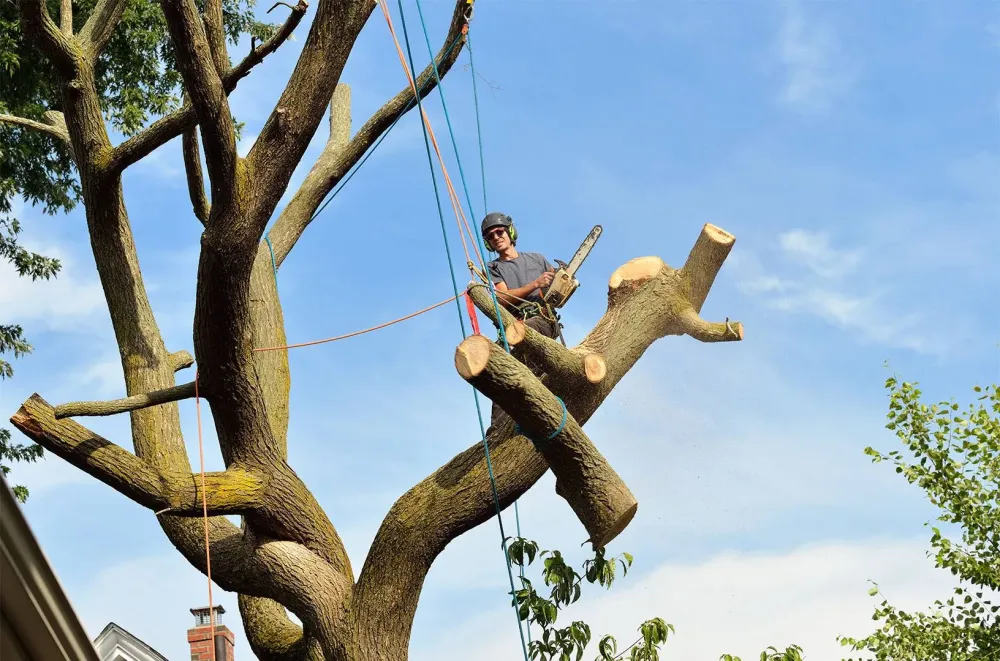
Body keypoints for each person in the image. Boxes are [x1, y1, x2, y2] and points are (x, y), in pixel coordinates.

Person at [479, 212, 561, 434]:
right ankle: (498, 431)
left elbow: (555, 296)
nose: (496, 237)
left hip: (541, 320)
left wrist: (561, 283)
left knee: (529, 332)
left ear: (510, 232)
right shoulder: (494, 268)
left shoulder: (537, 259)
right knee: (494, 365)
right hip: (514, 326)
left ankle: (537, 403)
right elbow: (502, 299)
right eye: (491, 235)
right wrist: (535, 283)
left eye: (499, 231)